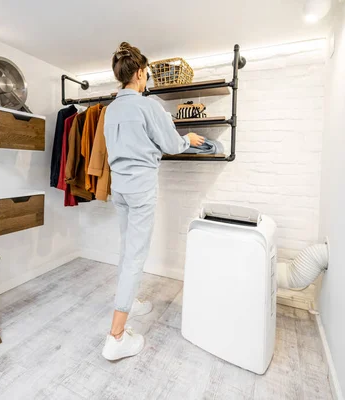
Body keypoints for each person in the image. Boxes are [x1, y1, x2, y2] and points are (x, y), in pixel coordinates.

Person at [101, 42, 205, 361]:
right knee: (136, 254)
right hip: (141, 186)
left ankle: (130, 301)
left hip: (119, 186)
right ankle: (116, 337)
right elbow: (172, 143)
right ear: (141, 73)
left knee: (126, 247)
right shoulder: (148, 106)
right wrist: (189, 139)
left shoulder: (110, 109)